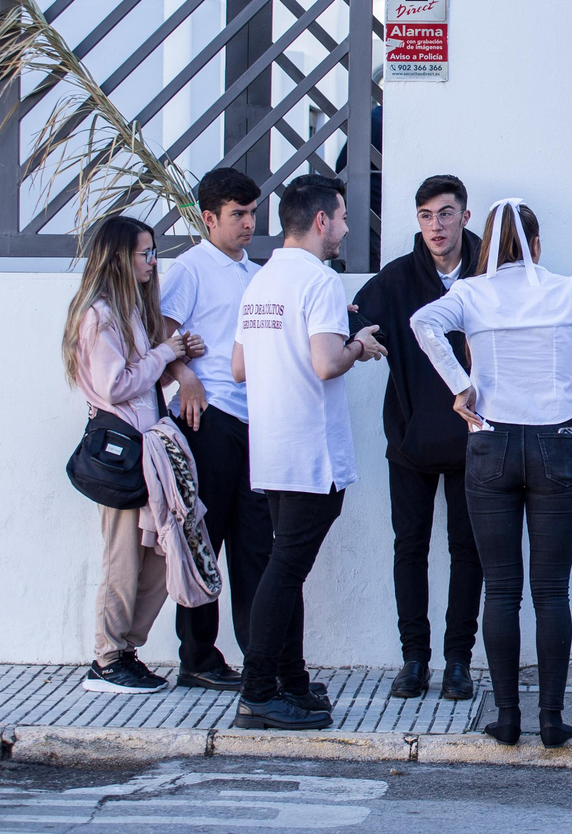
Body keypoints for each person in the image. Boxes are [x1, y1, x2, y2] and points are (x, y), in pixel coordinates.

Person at [412, 200, 572, 747]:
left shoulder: (471, 293)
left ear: (487, 243)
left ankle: (509, 716)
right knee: (551, 591)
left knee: (501, 590)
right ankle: (552, 717)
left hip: (490, 445)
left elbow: (422, 323)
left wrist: (459, 385)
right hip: (556, 444)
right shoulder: (564, 290)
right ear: (535, 246)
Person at [230, 175, 387, 731]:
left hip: (272, 449)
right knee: (284, 571)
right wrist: (358, 345)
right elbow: (325, 363)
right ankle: (256, 691)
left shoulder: (261, 280)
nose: (346, 227)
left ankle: (289, 681)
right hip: (312, 454)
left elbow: (239, 368)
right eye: (342, 217)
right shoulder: (319, 281)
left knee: (285, 569)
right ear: (321, 220)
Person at [355, 175, 484, 702]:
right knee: (408, 548)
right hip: (409, 442)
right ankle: (414, 659)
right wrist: (355, 339)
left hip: (476, 440)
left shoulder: (490, 272)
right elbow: (354, 323)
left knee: (467, 551)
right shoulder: (396, 280)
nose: (436, 225)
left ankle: (458, 661)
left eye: (446, 213)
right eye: (427, 215)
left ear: (465, 217)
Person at [64, 215, 205, 693]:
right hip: (125, 456)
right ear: (120, 257)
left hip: (149, 452)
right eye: (145, 253)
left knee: (159, 558)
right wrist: (166, 354)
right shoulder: (98, 314)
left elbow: (140, 386)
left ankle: (126, 650)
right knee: (123, 558)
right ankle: (107, 658)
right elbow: (114, 385)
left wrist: (174, 357)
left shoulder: (126, 313)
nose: (151, 262)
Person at [160, 168, 272, 693]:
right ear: (209, 218)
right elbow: (159, 340)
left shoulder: (256, 272)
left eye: (252, 213)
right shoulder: (190, 269)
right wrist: (185, 378)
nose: (249, 223)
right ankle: (198, 656)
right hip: (209, 421)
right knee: (205, 538)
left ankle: (258, 657)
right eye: (238, 215)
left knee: (255, 544)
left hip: (257, 422)